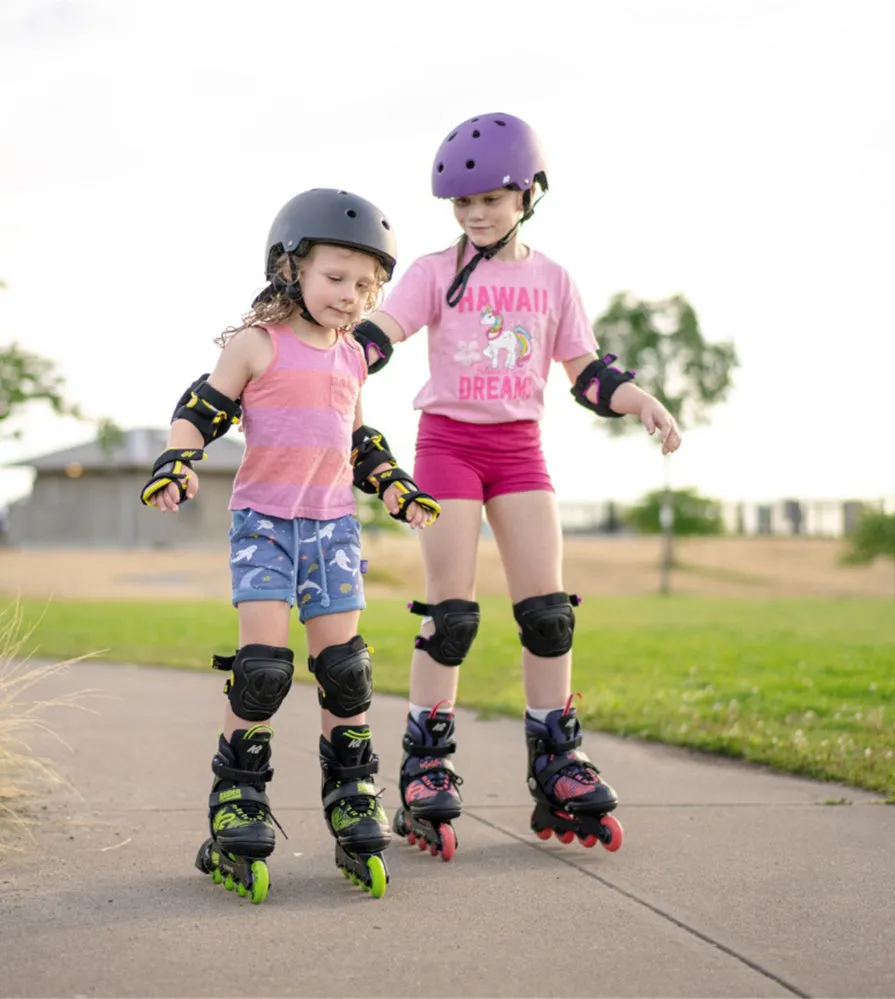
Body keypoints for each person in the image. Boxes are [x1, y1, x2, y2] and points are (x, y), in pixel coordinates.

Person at [350, 113, 682, 861]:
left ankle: (556, 758)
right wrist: (339, 357)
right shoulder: (436, 271)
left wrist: (644, 402)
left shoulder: (553, 279)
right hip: (448, 443)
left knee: (548, 613)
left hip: (520, 447)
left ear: (528, 193)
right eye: (462, 204)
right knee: (453, 614)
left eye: (489, 200)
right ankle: (425, 761)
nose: (474, 215)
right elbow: (383, 331)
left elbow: (588, 374)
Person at [140, 189, 440, 901]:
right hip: (266, 524)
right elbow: (200, 408)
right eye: (337, 278)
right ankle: (237, 799)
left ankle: (354, 790)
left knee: (346, 668)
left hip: (334, 525)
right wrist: (177, 459)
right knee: (265, 667)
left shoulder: (352, 359)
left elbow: (359, 439)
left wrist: (395, 484)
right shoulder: (257, 344)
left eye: (366, 285)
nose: (351, 295)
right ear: (288, 269)